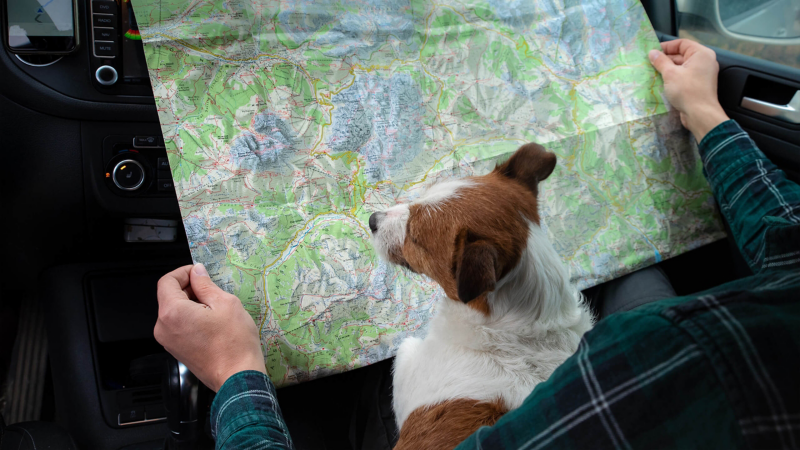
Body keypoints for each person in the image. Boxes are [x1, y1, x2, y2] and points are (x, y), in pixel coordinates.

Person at [154, 39, 800, 450]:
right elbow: (788, 241)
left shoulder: (650, 363)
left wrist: (237, 375)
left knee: (377, 364)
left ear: (475, 275)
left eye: (417, 241)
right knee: (636, 283)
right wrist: (707, 117)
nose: (391, 223)